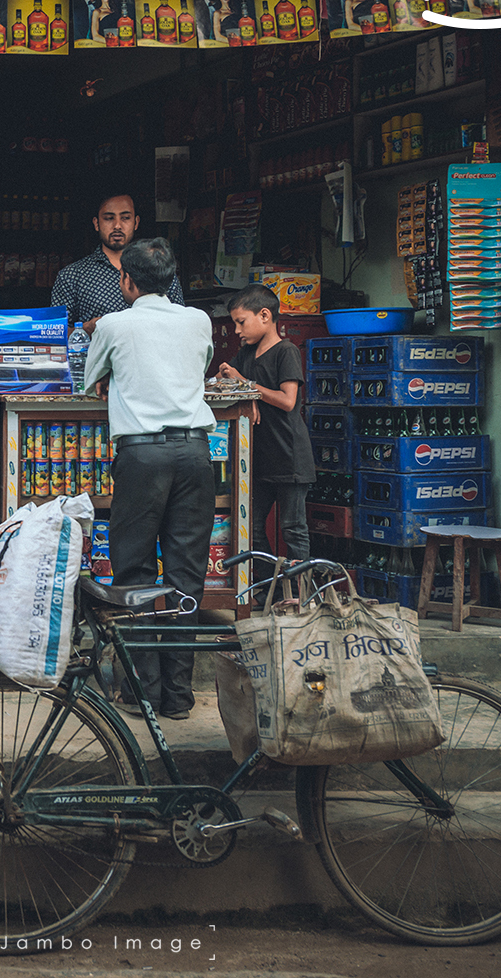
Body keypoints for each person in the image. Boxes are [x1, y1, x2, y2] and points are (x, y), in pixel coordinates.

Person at [82, 238, 216, 721]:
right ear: (171, 280)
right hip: (196, 454)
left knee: (135, 573)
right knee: (186, 577)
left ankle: (143, 694)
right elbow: (194, 369)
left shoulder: (115, 323)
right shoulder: (198, 319)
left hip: (141, 457)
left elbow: (88, 377)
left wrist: (113, 375)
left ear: (128, 282)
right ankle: (179, 697)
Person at [216, 285, 314, 600]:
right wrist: (243, 389)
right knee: (252, 528)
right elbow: (228, 380)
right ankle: (270, 590)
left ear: (265, 315)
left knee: (292, 530)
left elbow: (288, 401)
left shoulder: (285, 351)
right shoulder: (246, 353)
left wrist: (249, 387)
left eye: (241, 322)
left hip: (290, 456)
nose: (236, 330)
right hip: (258, 457)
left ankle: (301, 598)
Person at [51, 192, 185, 334]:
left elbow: (180, 321)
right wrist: (85, 329)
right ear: (96, 223)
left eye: (125, 218)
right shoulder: (72, 276)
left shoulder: (158, 268)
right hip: (98, 355)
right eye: (109, 218)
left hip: (150, 354)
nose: (117, 226)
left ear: (136, 222)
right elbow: (53, 333)